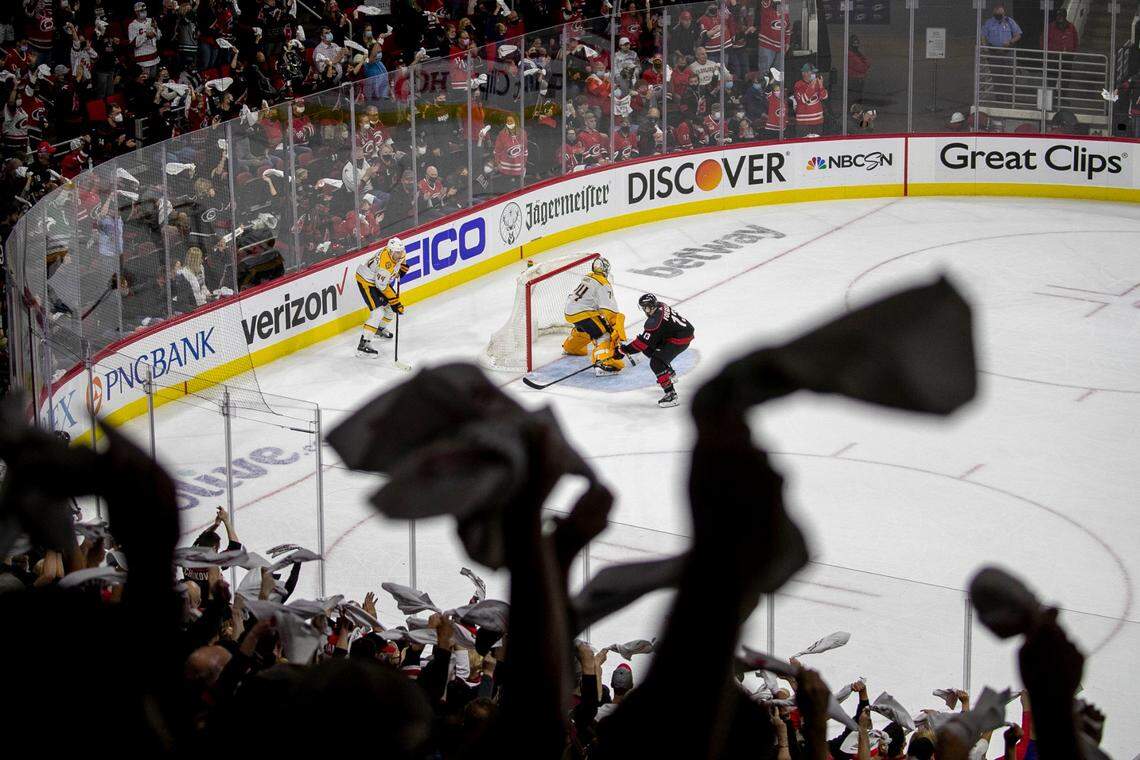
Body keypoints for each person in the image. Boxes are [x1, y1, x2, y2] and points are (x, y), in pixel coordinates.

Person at [614, 293, 694, 407]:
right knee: (649, 348)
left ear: (650, 307)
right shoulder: (661, 305)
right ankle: (669, 373)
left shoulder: (654, 322)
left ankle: (671, 395)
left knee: (656, 363)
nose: (644, 310)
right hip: (680, 332)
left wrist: (624, 350)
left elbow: (641, 343)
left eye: (644, 307)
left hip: (681, 338)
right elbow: (647, 342)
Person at [562, 256, 626, 376]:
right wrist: (614, 328)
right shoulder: (603, 283)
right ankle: (603, 363)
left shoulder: (588, 277)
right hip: (582, 312)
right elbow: (609, 310)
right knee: (603, 334)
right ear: (606, 270)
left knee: (588, 329)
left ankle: (571, 347)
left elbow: (592, 301)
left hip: (570, 311)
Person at [355, 236, 407, 357]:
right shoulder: (385, 264)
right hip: (366, 281)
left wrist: (402, 270)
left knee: (389, 310)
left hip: (379, 280)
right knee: (378, 313)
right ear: (390, 251)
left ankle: (379, 329)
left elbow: (402, 261)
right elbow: (382, 287)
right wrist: (395, 302)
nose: (399, 255)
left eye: (400, 252)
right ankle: (363, 346)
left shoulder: (401, 253)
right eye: (396, 253)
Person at [792, 63, 827, 136]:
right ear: (804, 73)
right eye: (812, 72)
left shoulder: (817, 84)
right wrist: (812, 87)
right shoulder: (798, 85)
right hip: (804, 123)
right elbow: (803, 99)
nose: (814, 74)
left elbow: (824, 97)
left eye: (814, 72)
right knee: (803, 145)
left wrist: (821, 86)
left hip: (818, 121)